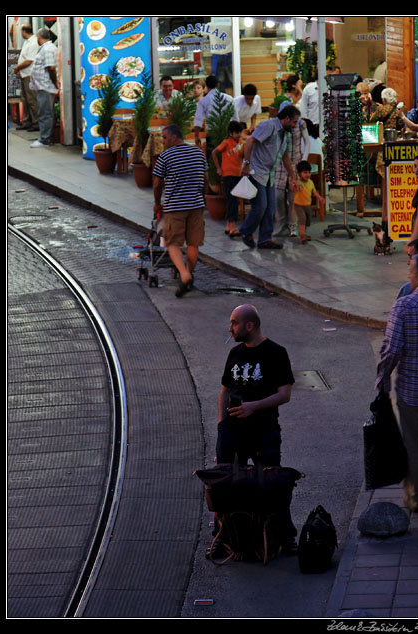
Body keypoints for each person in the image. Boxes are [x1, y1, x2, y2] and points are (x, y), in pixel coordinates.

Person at [216, 304, 297, 553]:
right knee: (225, 486)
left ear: (249, 326)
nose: (230, 328)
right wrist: (221, 424)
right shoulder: (235, 354)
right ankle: (222, 535)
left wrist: (255, 406)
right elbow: (225, 390)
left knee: (273, 484)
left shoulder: (276, 353)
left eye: (234, 323)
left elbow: (285, 394)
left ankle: (285, 536)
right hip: (233, 433)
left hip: (265, 432)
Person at [375, 253, 418, 519]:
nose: (409, 277)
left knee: (413, 445)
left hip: (411, 391)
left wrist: (383, 382)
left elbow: (391, 350)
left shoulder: (404, 305)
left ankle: (414, 499)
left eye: (411, 272)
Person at [152, 124, 208, 297]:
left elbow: (157, 183)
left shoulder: (165, 156)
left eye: (164, 137)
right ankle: (189, 274)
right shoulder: (199, 153)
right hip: (196, 205)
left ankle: (184, 276)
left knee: (172, 243)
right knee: (193, 243)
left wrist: (156, 202)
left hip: (174, 207)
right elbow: (205, 179)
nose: (162, 141)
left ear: (174, 137)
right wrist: (201, 195)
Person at [239, 104, 300, 249]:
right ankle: (246, 231)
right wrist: (246, 164)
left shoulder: (285, 133)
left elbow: (285, 155)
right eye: (294, 122)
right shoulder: (268, 126)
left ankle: (264, 239)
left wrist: (292, 176)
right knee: (260, 206)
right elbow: (249, 141)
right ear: (286, 119)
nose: (295, 125)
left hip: (269, 174)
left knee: (270, 207)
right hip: (257, 171)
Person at [273, 101, 310, 238]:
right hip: (279, 164)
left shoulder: (300, 123)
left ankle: (292, 226)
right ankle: (280, 223)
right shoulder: (277, 124)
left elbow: (306, 141)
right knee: (278, 196)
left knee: (293, 197)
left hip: (296, 162)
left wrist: (304, 161)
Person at [211, 121, 244, 238]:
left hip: (237, 173)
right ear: (230, 133)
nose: (239, 134)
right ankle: (233, 225)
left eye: (240, 132)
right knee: (231, 200)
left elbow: (241, 155)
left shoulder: (240, 143)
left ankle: (228, 225)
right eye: (236, 132)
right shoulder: (226, 142)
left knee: (233, 199)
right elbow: (214, 153)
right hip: (228, 174)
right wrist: (218, 168)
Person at [29, 28, 59, 148]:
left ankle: (45, 139)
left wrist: (54, 82)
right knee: (45, 112)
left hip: (46, 86)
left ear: (39, 37)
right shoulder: (46, 48)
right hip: (42, 85)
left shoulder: (47, 49)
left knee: (45, 113)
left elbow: (51, 67)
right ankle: (45, 137)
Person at [193, 74, 237, 147]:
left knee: (212, 156)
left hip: (212, 134)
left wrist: (196, 136)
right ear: (218, 84)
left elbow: (198, 120)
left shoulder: (203, 101)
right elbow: (235, 118)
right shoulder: (229, 98)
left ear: (206, 85)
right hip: (228, 132)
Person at [292, 160, 326, 244]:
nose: (308, 174)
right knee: (302, 218)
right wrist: (295, 187)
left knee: (308, 220)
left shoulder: (310, 182)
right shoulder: (298, 183)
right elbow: (294, 189)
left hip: (307, 205)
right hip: (298, 205)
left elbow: (314, 192)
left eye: (309, 172)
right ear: (300, 173)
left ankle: (304, 233)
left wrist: (320, 198)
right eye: (305, 172)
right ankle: (302, 235)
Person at [13, 24, 39, 131]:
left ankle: (36, 123)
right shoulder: (27, 42)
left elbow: (29, 60)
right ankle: (27, 121)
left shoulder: (33, 42)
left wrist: (17, 68)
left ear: (24, 31)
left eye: (21, 31)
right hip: (24, 74)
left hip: (30, 74)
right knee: (25, 99)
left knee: (32, 100)